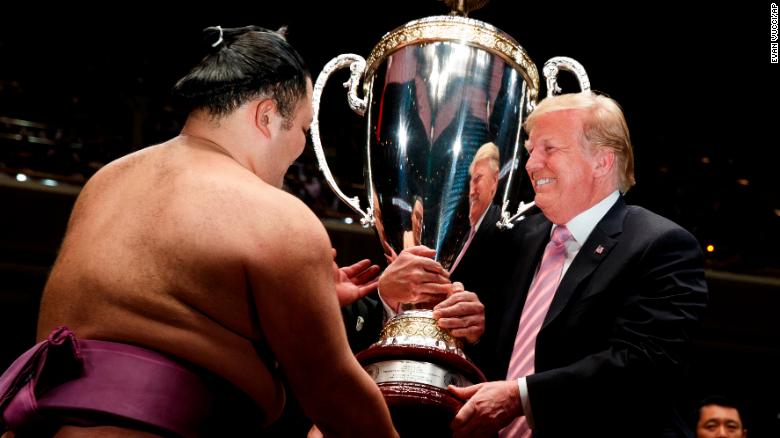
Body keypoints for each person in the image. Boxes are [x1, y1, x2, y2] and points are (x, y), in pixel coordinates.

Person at [0, 25, 397, 438]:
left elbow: (166, 305)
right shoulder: (278, 216)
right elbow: (333, 393)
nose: (300, 151)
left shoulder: (107, 179)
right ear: (265, 116)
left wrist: (305, 300)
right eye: (301, 128)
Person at [447, 91, 709, 437]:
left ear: (602, 161)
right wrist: (477, 332)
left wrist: (521, 396)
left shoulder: (661, 245)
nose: (530, 164)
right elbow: (518, 353)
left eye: (549, 148)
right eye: (530, 150)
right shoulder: (521, 239)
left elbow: (645, 364)